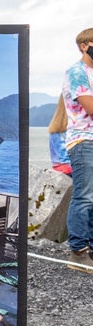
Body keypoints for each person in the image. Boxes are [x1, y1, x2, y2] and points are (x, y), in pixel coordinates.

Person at [61, 29, 93, 269]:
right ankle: (78, 252)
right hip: (84, 141)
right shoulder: (77, 72)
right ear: (84, 45)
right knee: (84, 196)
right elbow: (89, 106)